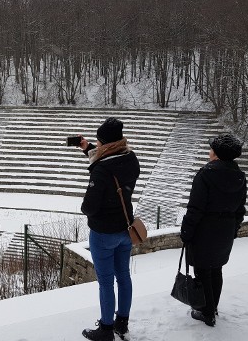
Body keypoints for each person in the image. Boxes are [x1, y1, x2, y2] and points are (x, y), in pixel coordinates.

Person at [78, 117, 141, 341]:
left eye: (98, 141)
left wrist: (87, 206)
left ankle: (106, 329)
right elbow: (113, 160)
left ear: (105, 142)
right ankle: (121, 323)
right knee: (123, 277)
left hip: (103, 234)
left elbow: (89, 207)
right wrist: (89, 149)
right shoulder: (131, 158)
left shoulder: (101, 170)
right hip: (126, 229)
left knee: (106, 282)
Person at [180, 133, 247, 327]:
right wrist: (233, 229)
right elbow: (240, 209)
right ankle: (213, 306)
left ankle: (206, 312)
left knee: (202, 270)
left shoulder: (205, 174)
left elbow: (195, 208)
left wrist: (187, 231)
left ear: (216, 154)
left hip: (205, 229)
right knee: (216, 269)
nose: (209, 152)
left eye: (211, 149)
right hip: (225, 230)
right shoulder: (239, 176)